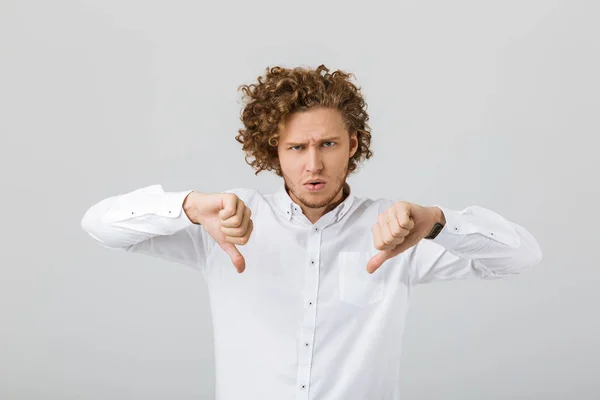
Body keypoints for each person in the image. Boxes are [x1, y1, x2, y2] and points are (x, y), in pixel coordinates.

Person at [81, 64, 543, 400]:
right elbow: (100, 225)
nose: (314, 164)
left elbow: (523, 256)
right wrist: (186, 206)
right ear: (274, 151)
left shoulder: (398, 231)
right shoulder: (224, 222)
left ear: (353, 145)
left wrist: (438, 222)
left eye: (328, 144)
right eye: (296, 147)